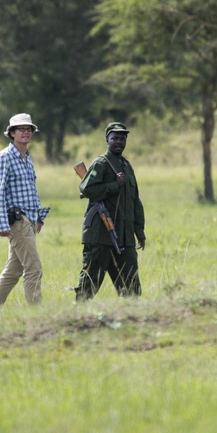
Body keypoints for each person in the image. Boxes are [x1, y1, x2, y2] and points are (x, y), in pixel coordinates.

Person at [0, 113, 50, 312]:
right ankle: (36, 313)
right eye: (21, 129)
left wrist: (39, 217)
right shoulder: (4, 157)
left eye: (28, 129)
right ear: (11, 133)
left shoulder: (27, 157)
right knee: (34, 268)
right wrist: (2, 223)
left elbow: (31, 189)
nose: (25, 132)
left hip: (30, 219)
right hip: (18, 221)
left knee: (14, 270)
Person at [74, 122, 145, 301]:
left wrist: (139, 231)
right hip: (100, 235)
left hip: (124, 236)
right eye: (115, 138)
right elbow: (86, 188)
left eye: (122, 139)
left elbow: (135, 201)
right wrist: (114, 185)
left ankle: (132, 318)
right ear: (107, 140)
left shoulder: (127, 167)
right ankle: (79, 313)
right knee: (91, 279)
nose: (119, 142)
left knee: (131, 284)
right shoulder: (101, 163)